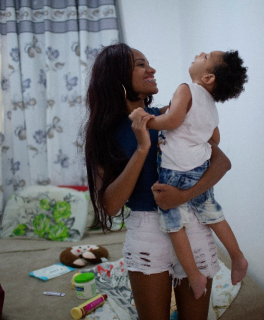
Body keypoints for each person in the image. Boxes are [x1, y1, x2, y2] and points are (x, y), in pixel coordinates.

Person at [84, 43, 231, 320]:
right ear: (116, 77)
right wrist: (141, 149)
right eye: (140, 64)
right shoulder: (104, 134)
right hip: (146, 233)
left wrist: (182, 196)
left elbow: (222, 162)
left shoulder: (171, 116)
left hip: (193, 227)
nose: (151, 69)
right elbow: (112, 206)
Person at [130, 50, 249, 299]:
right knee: (212, 213)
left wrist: (147, 121)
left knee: (173, 224)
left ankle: (193, 274)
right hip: (199, 169)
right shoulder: (211, 106)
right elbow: (214, 138)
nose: (200, 53)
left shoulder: (186, 89)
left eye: (205, 57)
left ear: (207, 78)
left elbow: (172, 121)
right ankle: (237, 257)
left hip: (175, 170)